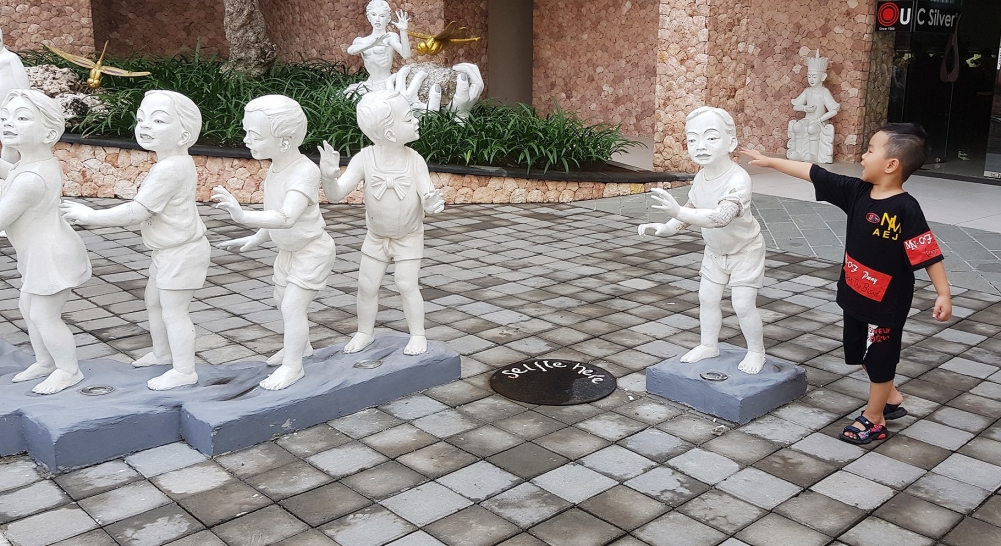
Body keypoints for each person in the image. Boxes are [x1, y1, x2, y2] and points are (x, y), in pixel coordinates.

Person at [742, 123, 952, 445]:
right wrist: (771, 161)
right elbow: (814, 173)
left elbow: (926, 251)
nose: (863, 156)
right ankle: (891, 397)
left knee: (880, 358)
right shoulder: (857, 192)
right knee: (859, 353)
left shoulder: (905, 209)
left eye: (870, 150)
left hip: (886, 306)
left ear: (891, 164)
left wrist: (943, 293)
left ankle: (875, 418)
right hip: (854, 295)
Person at [61, 90, 210, 391]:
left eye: (159, 120)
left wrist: (92, 216)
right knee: (154, 302)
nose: (145, 126)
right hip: (168, 250)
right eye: (142, 119)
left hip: (181, 252)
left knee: (174, 312)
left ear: (184, 134)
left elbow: (138, 210)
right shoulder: (173, 162)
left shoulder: (170, 168)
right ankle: (162, 353)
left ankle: (184, 370)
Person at [212, 95, 336, 391]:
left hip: (312, 251)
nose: (245, 140)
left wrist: (242, 216)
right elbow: (275, 214)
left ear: (285, 141)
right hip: (288, 251)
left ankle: (293, 367)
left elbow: (287, 216)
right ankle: (301, 348)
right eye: (246, 132)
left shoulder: (304, 171)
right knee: (281, 300)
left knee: (292, 306)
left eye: (254, 135)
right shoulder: (276, 166)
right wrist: (256, 237)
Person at [639, 106, 767, 374]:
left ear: (731, 142)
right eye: (693, 139)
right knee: (707, 298)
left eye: (711, 137)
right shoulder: (701, 176)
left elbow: (720, 217)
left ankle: (757, 351)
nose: (700, 146)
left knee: (743, 304)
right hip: (715, 251)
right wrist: (667, 228)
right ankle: (709, 345)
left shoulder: (738, 179)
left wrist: (678, 212)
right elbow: (692, 208)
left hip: (745, 251)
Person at [318, 89, 444, 356]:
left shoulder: (415, 160)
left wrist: (432, 203)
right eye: (409, 118)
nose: (416, 121)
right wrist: (329, 177)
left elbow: (427, 193)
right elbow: (336, 196)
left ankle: (418, 334)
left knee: (406, 284)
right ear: (389, 133)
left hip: (408, 237)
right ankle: (365, 332)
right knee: (366, 285)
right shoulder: (364, 159)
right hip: (376, 237)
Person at [1, 89, 91, 394]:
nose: (8, 123)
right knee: (28, 306)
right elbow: (11, 172)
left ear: (49, 133)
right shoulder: (32, 164)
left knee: (43, 314)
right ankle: (45, 362)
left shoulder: (30, 180)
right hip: (37, 252)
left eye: (21, 118)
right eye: (5, 117)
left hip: (51, 255)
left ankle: (68, 370)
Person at [346, 0, 411, 95]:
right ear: (368, 17)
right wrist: (372, 44)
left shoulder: (389, 37)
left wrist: (403, 31)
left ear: (388, 19)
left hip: (385, 83)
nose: (377, 19)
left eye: (382, 16)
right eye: (373, 15)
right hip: (369, 83)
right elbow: (350, 50)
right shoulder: (361, 41)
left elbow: (406, 55)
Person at [788, 51, 840, 163]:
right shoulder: (808, 91)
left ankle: (812, 154)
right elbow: (796, 106)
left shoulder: (824, 92)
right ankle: (798, 152)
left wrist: (819, 119)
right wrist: (805, 108)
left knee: (812, 128)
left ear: (823, 77)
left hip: (819, 121)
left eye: (814, 76)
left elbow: (834, 110)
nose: (811, 79)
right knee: (797, 126)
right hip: (808, 119)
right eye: (809, 76)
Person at [0, 27, 30, 163]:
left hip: (9, 105)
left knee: (9, 142)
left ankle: (9, 171)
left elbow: (22, 82)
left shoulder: (10, 58)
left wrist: (25, 99)